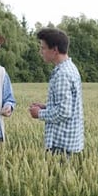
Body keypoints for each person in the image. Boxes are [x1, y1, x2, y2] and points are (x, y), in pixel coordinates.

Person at [28, 27, 84, 156]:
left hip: (61, 145)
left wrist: (39, 113)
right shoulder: (70, 68)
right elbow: (68, 105)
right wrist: (46, 107)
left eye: (43, 48)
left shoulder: (62, 74)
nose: (40, 51)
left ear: (55, 50)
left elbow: (64, 112)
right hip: (70, 142)